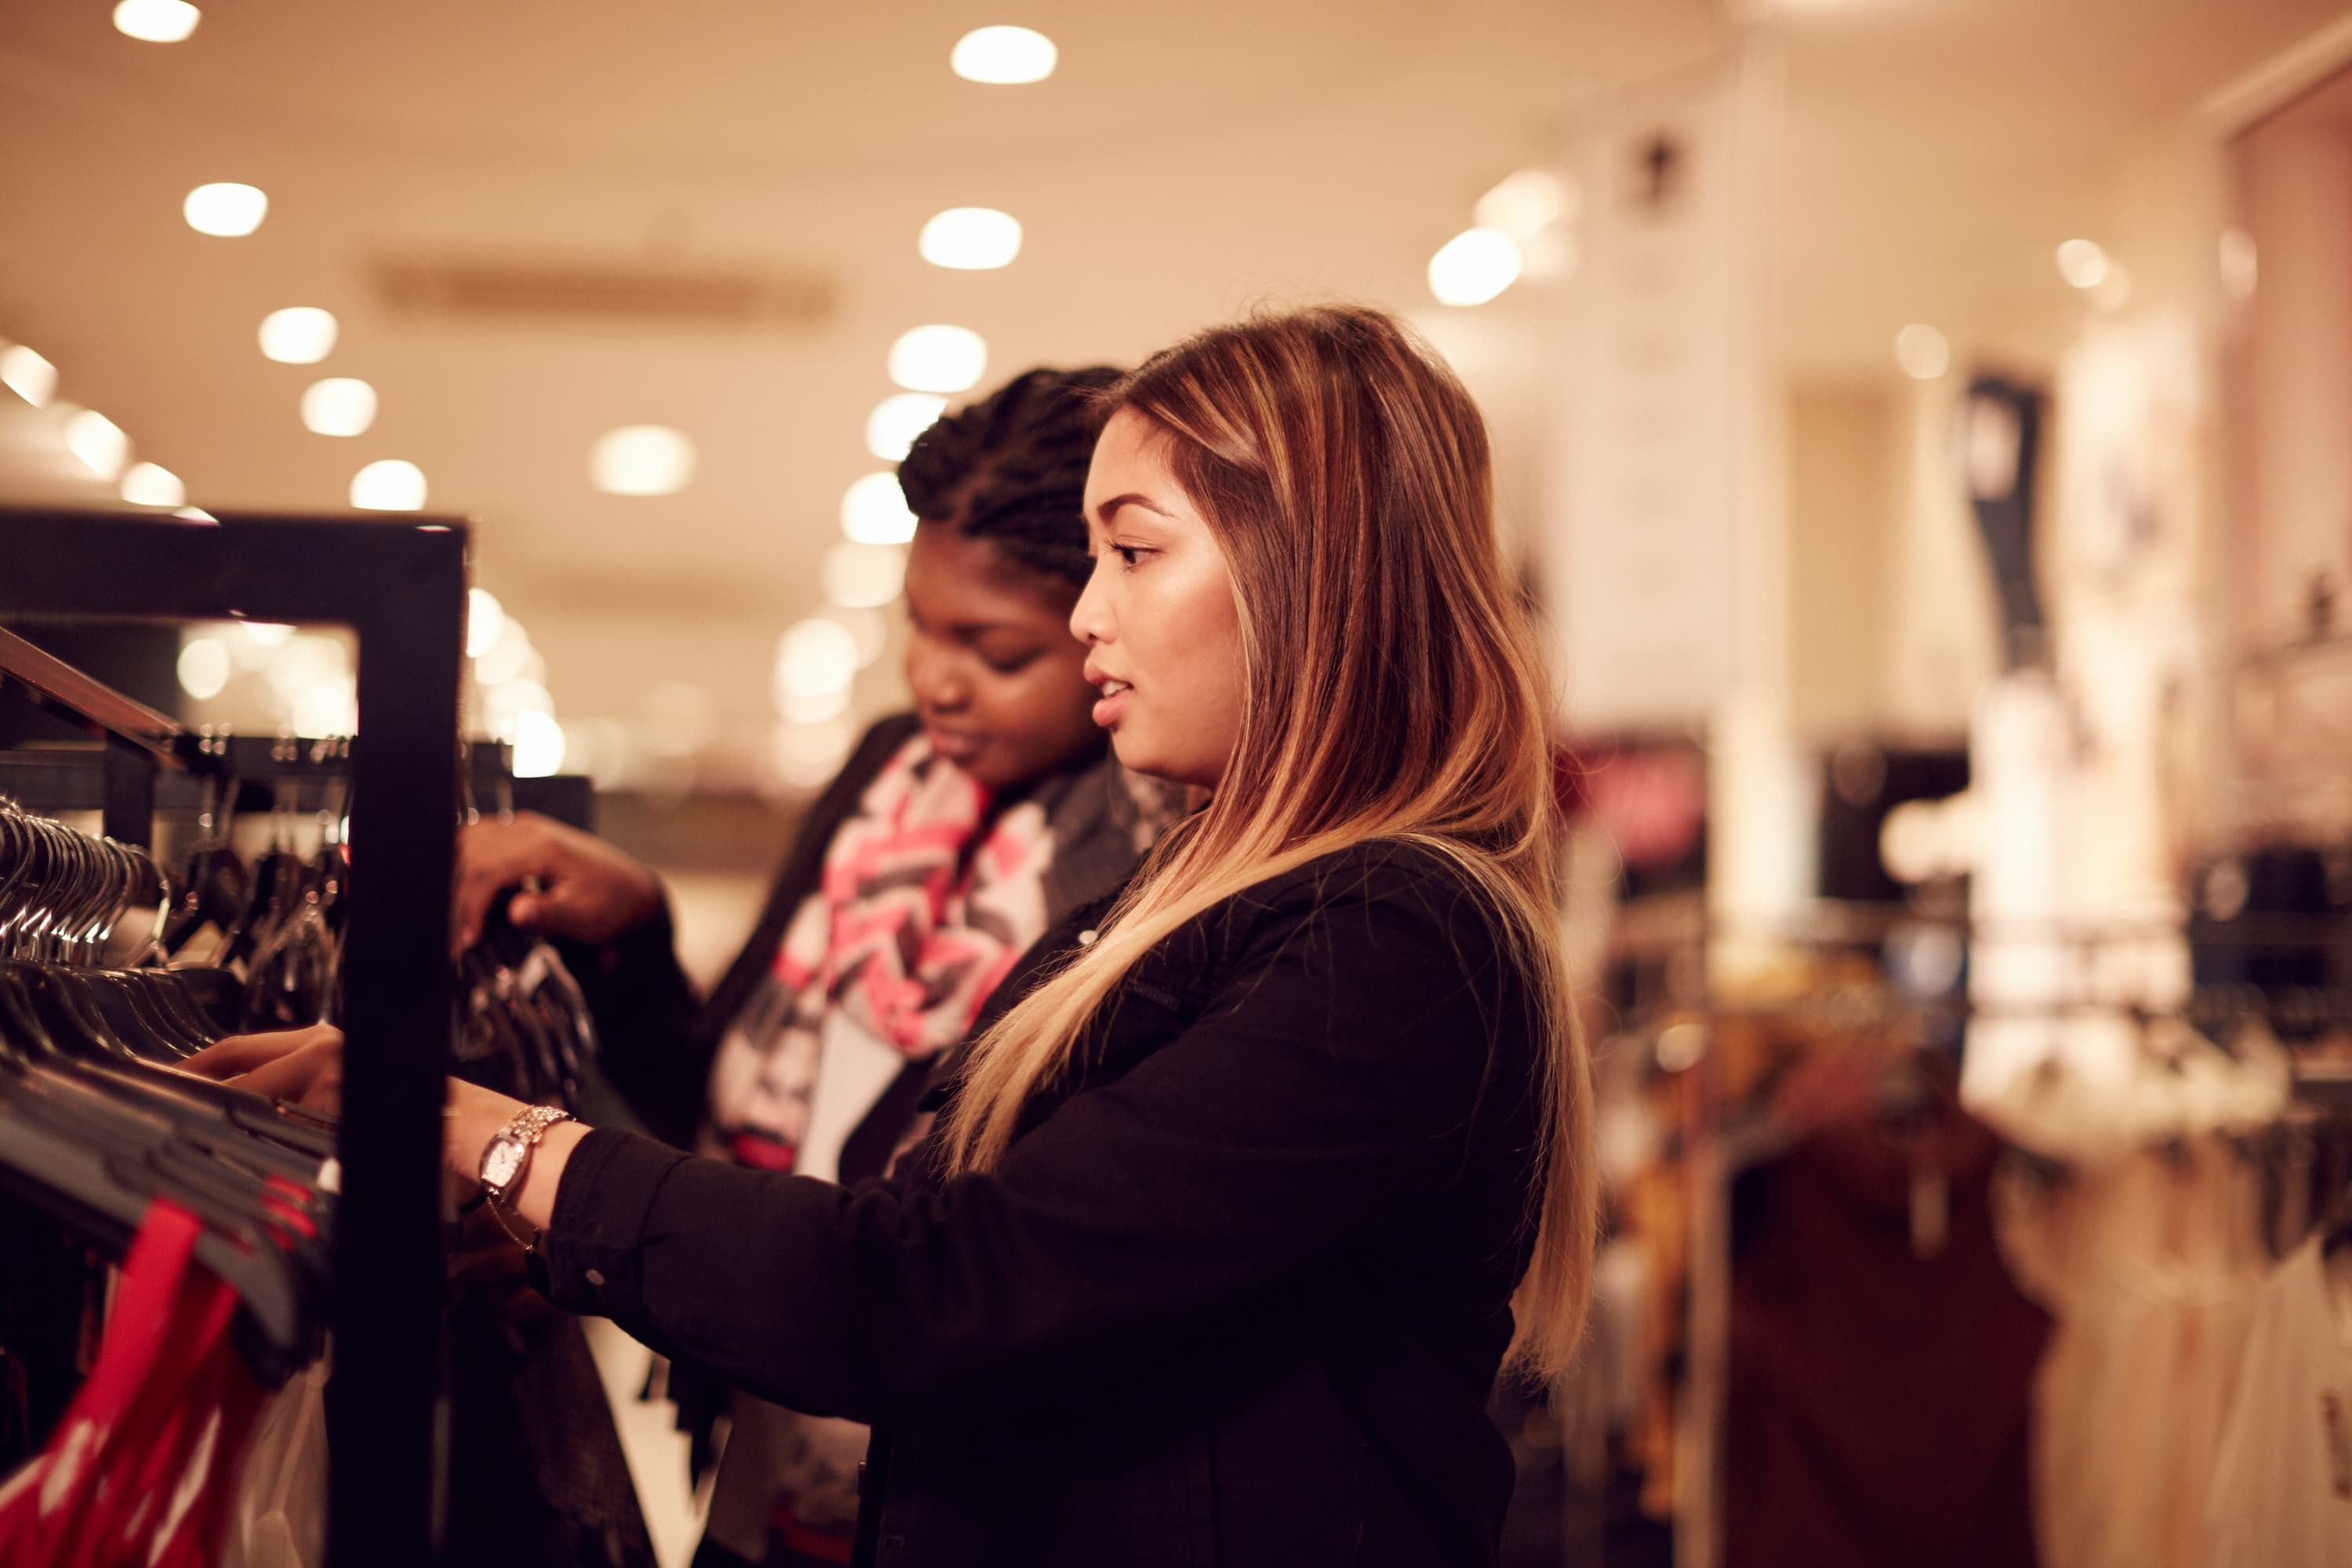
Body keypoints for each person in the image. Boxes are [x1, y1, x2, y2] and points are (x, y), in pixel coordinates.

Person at [196, 304, 1599, 1568]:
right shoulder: (1211, 895)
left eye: (1131, 551)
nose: (1089, 609)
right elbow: (873, 1199)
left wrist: (498, 1141)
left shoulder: (1395, 940)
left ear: (1313, 574)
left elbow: (945, 1283)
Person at [448, 364, 1176, 1565]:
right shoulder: (890, 778)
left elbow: (989, 1261)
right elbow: (722, 1109)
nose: (933, 677)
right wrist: (631, 930)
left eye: (993, 649)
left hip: (976, 1489)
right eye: (920, 626)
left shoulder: (1146, 856)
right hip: (773, 1453)